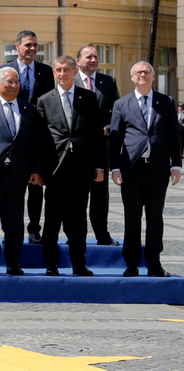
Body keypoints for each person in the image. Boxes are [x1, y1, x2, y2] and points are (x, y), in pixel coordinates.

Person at [109, 61, 183, 277]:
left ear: (152, 76)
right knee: (131, 219)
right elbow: (115, 140)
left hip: (158, 171)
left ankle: (154, 263)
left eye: (147, 72)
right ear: (132, 77)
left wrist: (176, 164)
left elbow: (174, 135)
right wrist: (114, 168)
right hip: (131, 170)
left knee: (155, 218)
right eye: (138, 72)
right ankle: (131, 264)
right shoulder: (122, 104)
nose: (143, 75)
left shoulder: (166, 102)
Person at [37, 56, 104, 277]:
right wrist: (37, 170)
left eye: (66, 69)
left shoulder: (89, 97)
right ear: (54, 73)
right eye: (58, 70)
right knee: (53, 217)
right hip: (54, 168)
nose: (62, 73)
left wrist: (100, 166)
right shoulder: (45, 99)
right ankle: (51, 264)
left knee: (78, 218)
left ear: (75, 72)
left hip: (82, 168)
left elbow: (96, 135)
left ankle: (79, 263)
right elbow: (39, 140)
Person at [0, 67, 42, 275]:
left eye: (17, 82)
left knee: (15, 221)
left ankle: (13, 262)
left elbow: (36, 144)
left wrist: (36, 170)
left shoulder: (29, 109)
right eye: (10, 82)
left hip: (19, 174)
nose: (14, 86)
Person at [0, 30, 54, 244]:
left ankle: (34, 228)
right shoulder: (3, 70)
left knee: (36, 184)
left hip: (36, 137)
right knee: (8, 187)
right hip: (10, 137)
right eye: (28, 45)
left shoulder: (46, 72)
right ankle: (9, 229)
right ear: (17, 46)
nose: (32, 49)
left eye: (35, 45)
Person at [75, 44, 120, 246]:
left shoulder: (108, 82)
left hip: (101, 148)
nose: (93, 60)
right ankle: (76, 235)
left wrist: (107, 128)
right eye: (88, 57)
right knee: (77, 194)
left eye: (96, 56)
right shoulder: (69, 80)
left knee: (100, 194)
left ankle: (102, 234)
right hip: (76, 148)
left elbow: (117, 113)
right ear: (78, 61)